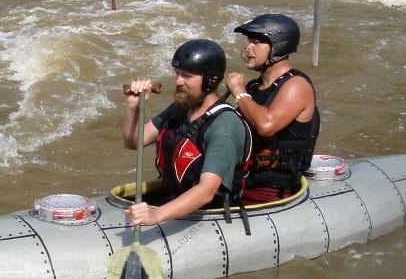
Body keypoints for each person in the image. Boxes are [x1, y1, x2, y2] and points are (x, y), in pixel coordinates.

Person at [122, 39, 251, 227]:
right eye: (177, 74)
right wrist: (133, 108)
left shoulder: (224, 126)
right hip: (177, 196)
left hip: (210, 211)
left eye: (187, 76)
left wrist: (155, 216)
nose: (178, 82)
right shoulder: (182, 108)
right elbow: (133, 142)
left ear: (211, 79)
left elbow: (206, 191)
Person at [225, 13, 320, 204]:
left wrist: (239, 92)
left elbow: (266, 125)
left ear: (278, 46)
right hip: (243, 181)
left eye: (257, 41)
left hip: (273, 190)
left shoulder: (296, 85)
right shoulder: (253, 87)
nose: (248, 47)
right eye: (249, 40)